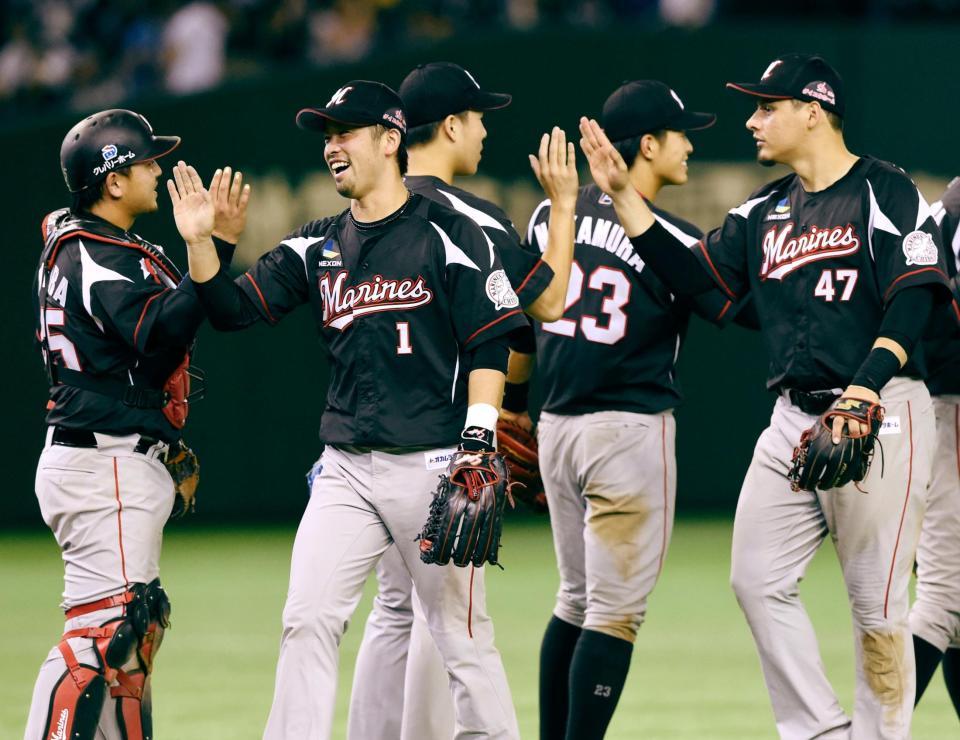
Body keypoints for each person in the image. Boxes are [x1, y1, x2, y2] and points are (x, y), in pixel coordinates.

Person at [578, 53, 950, 738]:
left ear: (814, 110)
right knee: (755, 579)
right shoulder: (762, 211)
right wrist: (625, 200)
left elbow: (915, 296)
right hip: (794, 419)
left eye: (766, 107)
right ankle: (818, 731)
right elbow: (700, 281)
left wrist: (863, 391)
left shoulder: (883, 191)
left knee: (876, 610)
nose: (752, 120)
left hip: (883, 410)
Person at [172, 79, 529, 740]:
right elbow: (231, 310)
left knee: (462, 639)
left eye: (346, 132)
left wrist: (478, 441)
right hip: (345, 470)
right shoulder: (318, 245)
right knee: (305, 618)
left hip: (432, 467)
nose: (332, 146)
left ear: (391, 139)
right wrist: (203, 245)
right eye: (327, 135)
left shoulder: (451, 235)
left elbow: (493, 338)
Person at [346, 61, 578, 740]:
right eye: (478, 118)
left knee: (393, 609)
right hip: (445, 443)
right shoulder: (469, 213)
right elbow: (552, 301)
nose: (483, 132)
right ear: (450, 125)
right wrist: (562, 205)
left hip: (367, 435)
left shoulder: (366, 210)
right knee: (445, 617)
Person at [521, 80, 739, 740]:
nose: (691, 144)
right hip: (627, 429)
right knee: (614, 614)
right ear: (648, 144)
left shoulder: (544, 215)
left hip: (554, 427)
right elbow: (719, 302)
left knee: (573, 599)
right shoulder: (671, 238)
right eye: (680, 133)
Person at [24, 108, 248, 740]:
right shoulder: (91, 254)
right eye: (147, 161)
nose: (159, 169)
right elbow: (159, 330)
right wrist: (212, 246)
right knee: (103, 632)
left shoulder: (84, 242)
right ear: (113, 181)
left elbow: (158, 334)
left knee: (133, 632)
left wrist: (215, 247)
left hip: (109, 455)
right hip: (102, 461)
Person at [911, 176, 960, 717]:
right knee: (943, 599)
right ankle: (876, 730)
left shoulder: (936, 215)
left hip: (937, 407)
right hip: (950, 407)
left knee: (955, 610)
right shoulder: (946, 216)